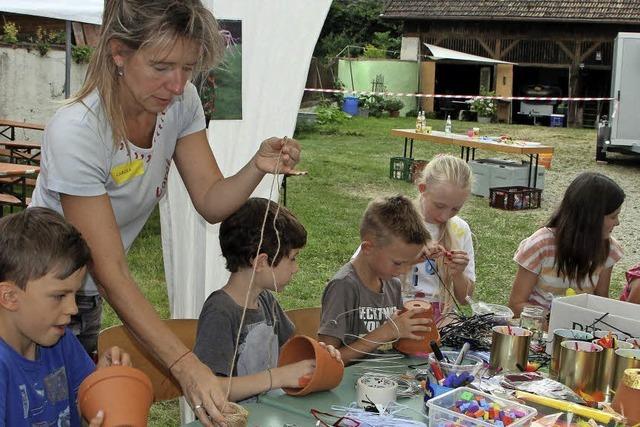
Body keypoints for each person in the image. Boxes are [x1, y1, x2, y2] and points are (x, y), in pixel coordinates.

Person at [29, 1, 300, 424]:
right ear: (119, 52)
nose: (176, 84)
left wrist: (256, 167)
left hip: (82, 289)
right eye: (161, 66)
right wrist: (186, 367)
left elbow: (211, 201)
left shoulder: (180, 102)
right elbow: (109, 267)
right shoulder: (77, 131)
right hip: (37, 291)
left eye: (187, 68)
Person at [193, 198, 341, 402]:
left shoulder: (266, 301)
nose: (296, 268)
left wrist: (318, 356)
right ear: (261, 262)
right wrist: (278, 377)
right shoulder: (220, 312)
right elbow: (210, 388)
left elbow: (290, 353)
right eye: (293, 258)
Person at [0, 208, 130, 427]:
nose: (73, 308)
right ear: (9, 296)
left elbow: (84, 414)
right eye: (59, 296)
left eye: (75, 294)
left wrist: (103, 386)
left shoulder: (61, 340)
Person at [318, 195, 433, 365]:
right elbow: (326, 360)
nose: (403, 271)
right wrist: (384, 333)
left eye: (410, 263)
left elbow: (397, 343)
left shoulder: (392, 284)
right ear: (368, 248)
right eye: (398, 263)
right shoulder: (344, 287)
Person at [508, 172, 625, 317]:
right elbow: (516, 304)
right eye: (613, 216)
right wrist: (554, 322)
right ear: (589, 217)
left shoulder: (608, 250)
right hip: (539, 331)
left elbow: (600, 302)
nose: (617, 222)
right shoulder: (540, 245)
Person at [409, 154, 476, 323]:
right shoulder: (396, 219)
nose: (445, 215)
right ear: (422, 189)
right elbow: (363, 271)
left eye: (455, 209)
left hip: (441, 317)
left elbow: (464, 299)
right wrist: (411, 259)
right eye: (439, 206)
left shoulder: (460, 229)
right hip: (396, 311)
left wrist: (458, 273)